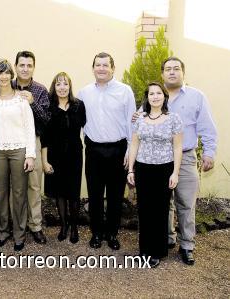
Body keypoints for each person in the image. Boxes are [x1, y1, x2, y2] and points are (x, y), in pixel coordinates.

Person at [77, 52, 136, 250]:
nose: (101, 68)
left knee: (115, 195)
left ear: (113, 68)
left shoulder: (125, 91)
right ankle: (96, 233)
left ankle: (112, 233)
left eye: (105, 65)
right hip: (93, 149)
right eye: (98, 65)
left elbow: (131, 123)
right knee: (94, 194)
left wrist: (130, 151)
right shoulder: (83, 93)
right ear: (93, 68)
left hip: (118, 150)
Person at [161, 57, 217, 265]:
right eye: (168, 69)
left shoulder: (196, 97)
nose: (172, 72)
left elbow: (207, 127)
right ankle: (167, 238)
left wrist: (209, 152)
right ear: (162, 74)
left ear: (183, 73)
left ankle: (186, 245)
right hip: (160, 158)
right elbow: (141, 119)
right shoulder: (156, 95)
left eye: (176, 69)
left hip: (185, 157)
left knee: (186, 203)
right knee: (163, 202)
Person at [127, 82, 183, 268]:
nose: (155, 96)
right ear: (147, 97)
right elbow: (134, 144)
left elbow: (177, 147)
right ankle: (144, 251)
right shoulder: (140, 118)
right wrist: (131, 169)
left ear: (164, 97)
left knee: (160, 211)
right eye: (152, 93)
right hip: (143, 169)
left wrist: (175, 173)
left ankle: (157, 252)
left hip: (164, 169)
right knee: (144, 210)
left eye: (159, 93)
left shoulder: (173, 118)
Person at [0, 59, 36, 251]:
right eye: (0, 72)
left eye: (7, 72)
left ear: (11, 75)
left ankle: (19, 235)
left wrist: (30, 155)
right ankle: (2, 232)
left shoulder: (21, 99)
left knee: (19, 194)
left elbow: (29, 128)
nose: (4, 76)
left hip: (19, 150)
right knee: (1, 193)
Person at [42, 72, 86, 244]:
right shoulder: (49, 108)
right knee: (60, 192)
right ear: (54, 87)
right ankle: (64, 225)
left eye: (65, 84)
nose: (62, 87)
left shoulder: (79, 105)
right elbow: (45, 138)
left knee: (73, 193)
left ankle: (74, 227)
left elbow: (86, 126)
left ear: (70, 86)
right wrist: (45, 161)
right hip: (55, 156)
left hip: (74, 154)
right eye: (58, 84)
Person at [12, 51, 50, 244]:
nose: (25, 69)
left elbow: (46, 120)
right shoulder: (5, 86)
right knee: (14, 187)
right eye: (22, 65)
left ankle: (35, 226)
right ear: (16, 66)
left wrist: (32, 102)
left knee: (34, 185)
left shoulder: (40, 90)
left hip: (33, 141)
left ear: (33, 67)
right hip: (10, 142)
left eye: (29, 65)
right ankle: (16, 225)